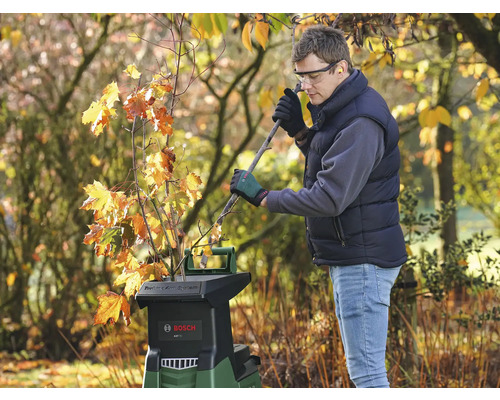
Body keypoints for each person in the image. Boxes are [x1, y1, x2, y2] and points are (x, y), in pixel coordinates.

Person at [230, 25, 407, 388]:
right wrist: (300, 132)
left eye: (313, 76)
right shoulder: (341, 109)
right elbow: (335, 164)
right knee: (365, 372)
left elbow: (330, 196)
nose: (305, 86)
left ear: (340, 69)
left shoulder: (361, 121)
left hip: (364, 260)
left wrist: (265, 197)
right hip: (354, 257)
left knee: (369, 375)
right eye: (300, 78)